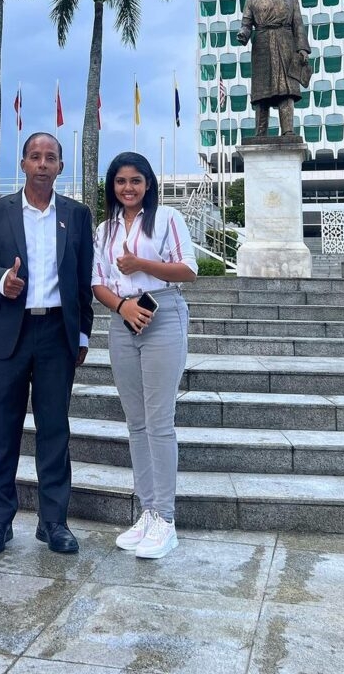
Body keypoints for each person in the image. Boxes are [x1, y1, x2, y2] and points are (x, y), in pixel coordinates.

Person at [0, 132, 93, 555]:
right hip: (9, 332)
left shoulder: (76, 215)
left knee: (54, 430)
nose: (43, 163)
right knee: (3, 431)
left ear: (61, 167)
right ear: (22, 163)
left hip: (57, 334)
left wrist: (83, 334)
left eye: (51, 158)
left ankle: (54, 521)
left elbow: (83, 279)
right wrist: (1, 278)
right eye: (35, 156)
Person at [92, 152, 197, 559]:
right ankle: (147, 512)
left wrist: (139, 264)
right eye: (120, 182)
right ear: (112, 186)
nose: (128, 188)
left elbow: (189, 269)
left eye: (136, 181)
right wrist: (121, 308)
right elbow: (97, 281)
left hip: (163, 315)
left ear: (148, 183)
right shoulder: (104, 229)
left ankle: (166, 519)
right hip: (123, 319)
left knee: (159, 422)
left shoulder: (168, 218)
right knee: (136, 423)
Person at [236, 0, 311, 136]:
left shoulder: (291, 0)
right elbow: (246, 24)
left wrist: (302, 48)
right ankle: (260, 132)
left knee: (287, 90)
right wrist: (243, 34)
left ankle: (288, 130)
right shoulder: (253, 0)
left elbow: (299, 25)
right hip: (262, 44)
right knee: (262, 91)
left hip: (286, 44)